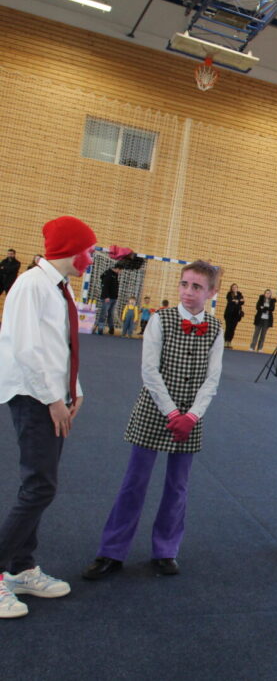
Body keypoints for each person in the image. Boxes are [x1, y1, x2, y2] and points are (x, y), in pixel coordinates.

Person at [82, 260, 224, 580]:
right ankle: (112, 551)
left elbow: (212, 379)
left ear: (211, 292)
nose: (188, 292)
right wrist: (172, 412)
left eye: (197, 287)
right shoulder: (160, 319)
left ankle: (166, 550)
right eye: (184, 284)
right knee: (134, 483)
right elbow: (149, 371)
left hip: (190, 419)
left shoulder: (215, 329)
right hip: (154, 411)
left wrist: (192, 415)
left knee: (178, 487)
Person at [0, 216, 97, 618]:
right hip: (33, 397)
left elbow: (60, 346)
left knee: (39, 484)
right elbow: (26, 349)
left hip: (51, 395)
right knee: (40, 487)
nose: (91, 258)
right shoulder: (31, 285)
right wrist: (52, 399)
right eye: (88, 250)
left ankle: (21, 567)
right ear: (72, 249)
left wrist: (74, 389)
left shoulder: (61, 288)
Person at [96, 263, 121, 335]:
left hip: (113, 298)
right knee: (103, 314)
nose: (120, 272)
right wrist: (106, 296)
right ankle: (100, 329)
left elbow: (114, 287)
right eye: (120, 270)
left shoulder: (115, 275)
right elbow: (105, 286)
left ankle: (111, 329)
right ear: (117, 268)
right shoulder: (108, 274)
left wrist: (116, 297)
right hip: (107, 298)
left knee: (111, 314)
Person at [223, 283, 244, 348]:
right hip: (229, 314)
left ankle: (229, 342)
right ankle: (225, 341)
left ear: (237, 288)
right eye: (233, 287)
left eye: (235, 287)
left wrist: (236, 300)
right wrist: (238, 301)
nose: (234, 288)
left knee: (233, 329)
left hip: (236, 314)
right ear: (231, 288)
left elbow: (242, 302)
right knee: (228, 328)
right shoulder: (229, 294)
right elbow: (230, 301)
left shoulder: (239, 294)